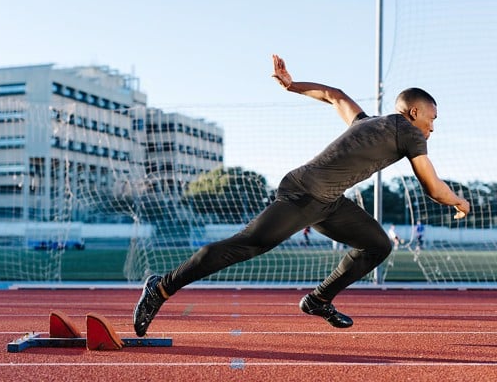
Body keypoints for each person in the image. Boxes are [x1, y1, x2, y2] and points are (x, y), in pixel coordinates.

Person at [133, 54, 470, 336]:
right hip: (304, 195)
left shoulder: (367, 122)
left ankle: (318, 301)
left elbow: (334, 95)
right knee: (248, 244)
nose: (433, 127)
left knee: (378, 245)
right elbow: (432, 187)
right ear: (414, 113)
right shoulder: (410, 132)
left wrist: (292, 85)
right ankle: (161, 287)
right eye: (432, 118)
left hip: (329, 202)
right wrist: (458, 200)